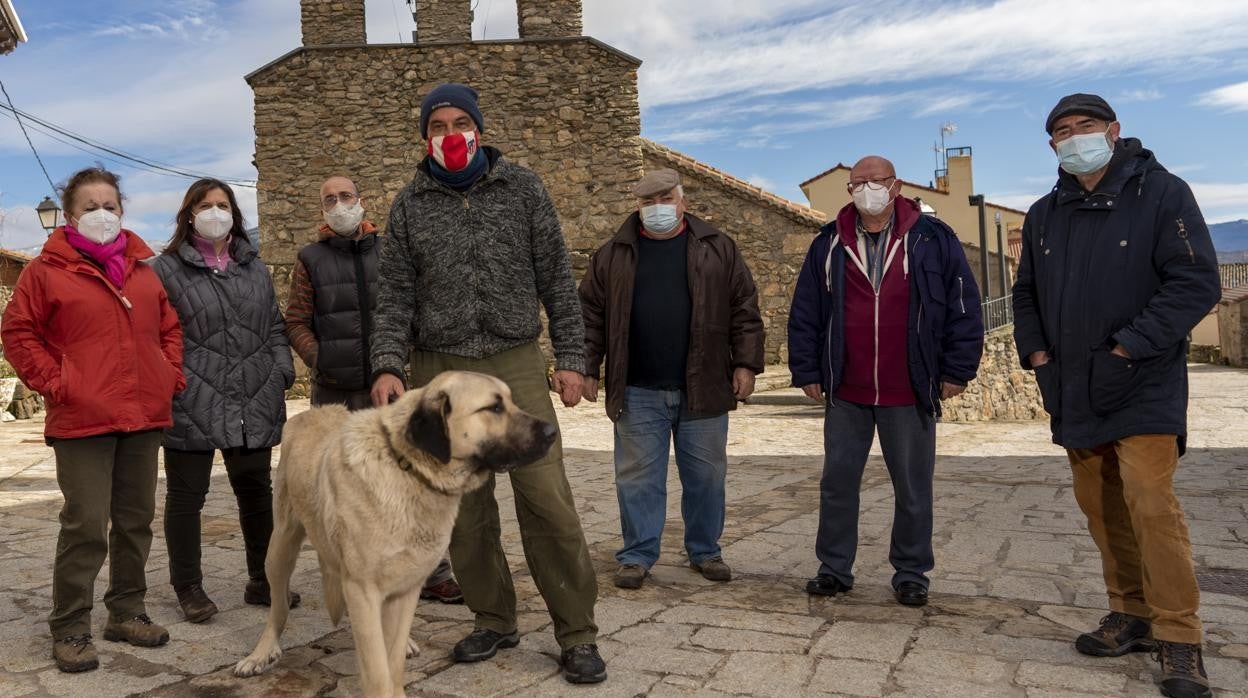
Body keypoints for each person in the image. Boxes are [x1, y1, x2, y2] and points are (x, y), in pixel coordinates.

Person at [369, 83, 604, 684]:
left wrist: (571, 357)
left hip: (515, 359)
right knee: (462, 508)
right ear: (425, 137)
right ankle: (493, 618)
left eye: (460, 121)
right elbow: (393, 295)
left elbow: (556, 277)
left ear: (478, 127)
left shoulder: (523, 188)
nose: (450, 133)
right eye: (438, 125)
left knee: (546, 498)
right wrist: (389, 365)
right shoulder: (409, 205)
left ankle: (576, 631)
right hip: (439, 367)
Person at [1012, 93, 1221, 698]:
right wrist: (1038, 354)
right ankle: (1131, 613)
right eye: (1062, 131)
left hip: (1144, 379)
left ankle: (1180, 639)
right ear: (1052, 145)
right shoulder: (1046, 212)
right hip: (1074, 385)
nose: (1074, 137)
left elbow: (1196, 281)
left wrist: (1129, 347)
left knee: (1151, 505)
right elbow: (1025, 293)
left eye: (1085, 126)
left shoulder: (1162, 193)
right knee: (1101, 507)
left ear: (1113, 130)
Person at [1, 167, 182, 672]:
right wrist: (59, 383)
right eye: (90, 207)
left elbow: (169, 327)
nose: (102, 214)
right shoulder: (46, 271)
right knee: (85, 524)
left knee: (135, 521)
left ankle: (126, 611)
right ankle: (71, 627)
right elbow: (17, 332)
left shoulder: (145, 270)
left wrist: (169, 374)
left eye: (111, 205)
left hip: (144, 414)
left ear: (122, 211)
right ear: (69, 214)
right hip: (83, 418)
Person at [788, 155, 983, 608]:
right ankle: (834, 569)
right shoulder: (828, 243)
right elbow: (806, 313)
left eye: (874, 181)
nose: (865, 189)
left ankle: (911, 572)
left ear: (895, 187)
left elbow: (963, 307)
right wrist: (807, 371)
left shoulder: (935, 240)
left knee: (913, 486)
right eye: (857, 183)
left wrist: (957, 369)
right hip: (847, 389)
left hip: (909, 388)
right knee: (837, 483)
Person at [578, 168, 764, 590]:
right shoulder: (613, 254)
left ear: (682, 201)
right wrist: (588, 367)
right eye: (648, 201)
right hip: (638, 389)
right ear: (638, 206)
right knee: (638, 479)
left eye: (665, 198)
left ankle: (705, 550)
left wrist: (746, 365)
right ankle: (638, 555)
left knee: (706, 477)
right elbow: (589, 315)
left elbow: (745, 311)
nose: (657, 207)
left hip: (704, 386)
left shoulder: (719, 248)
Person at [285, 174, 463, 603]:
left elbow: (409, 307)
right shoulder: (310, 259)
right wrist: (319, 357)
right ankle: (355, 568)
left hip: (391, 387)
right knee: (343, 483)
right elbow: (294, 320)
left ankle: (432, 570)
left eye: (346, 196)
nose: (339, 204)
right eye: (330, 199)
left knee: (410, 476)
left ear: (362, 201)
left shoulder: (389, 252)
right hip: (335, 390)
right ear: (321, 209)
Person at [151, 179, 298, 624]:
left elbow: (274, 325)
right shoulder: (166, 269)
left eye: (222, 204)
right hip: (191, 398)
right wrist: (173, 381)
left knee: (256, 494)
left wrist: (280, 372)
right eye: (205, 205)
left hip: (254, 394)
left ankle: (263, 579)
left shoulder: (253, 266)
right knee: (185, 498)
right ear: (188, 214)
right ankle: (189, 587)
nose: (215, 211)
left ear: (234, 212)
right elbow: (156, 335)